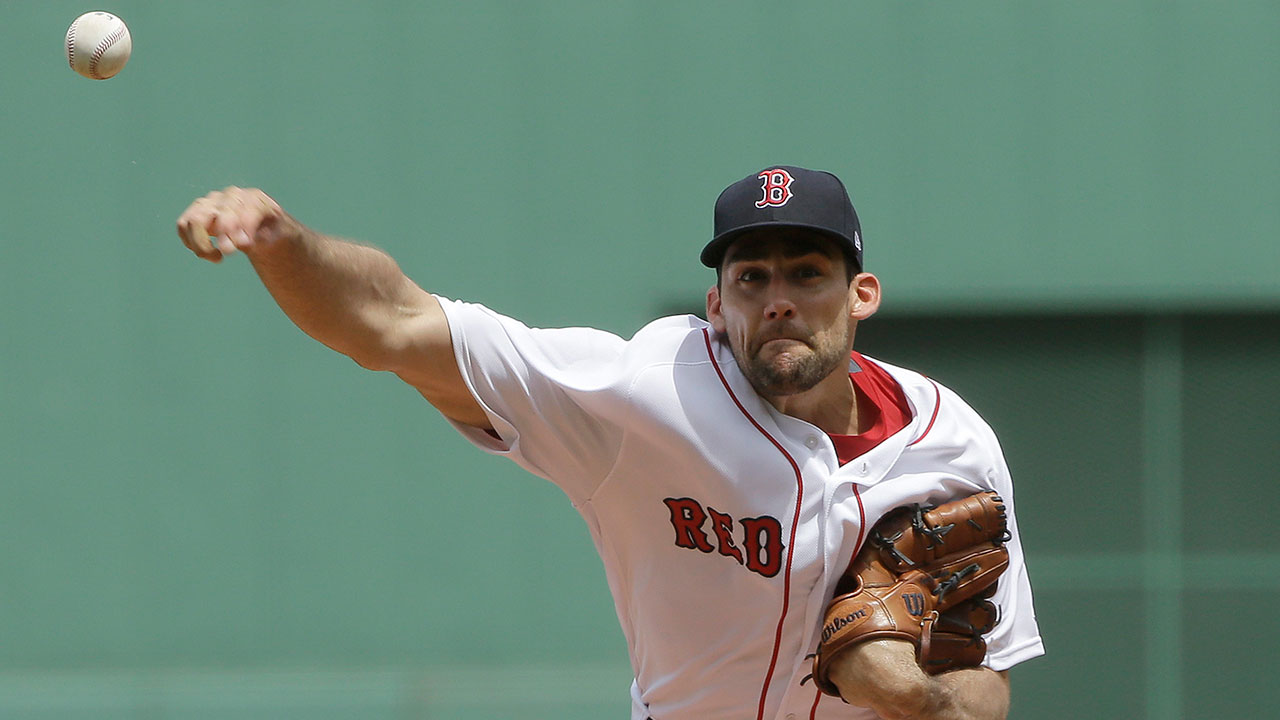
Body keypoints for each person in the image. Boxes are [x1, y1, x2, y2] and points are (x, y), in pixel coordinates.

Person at [176, 165, 1044, 719]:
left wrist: (914, 698)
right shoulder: (649, 394)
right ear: (717, 305)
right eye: (751, 276)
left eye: (807, 272)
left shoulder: (954, 445)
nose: (778, 297)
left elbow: (990, 681)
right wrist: (283, 244)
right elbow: (393, 323)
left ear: (862, 294)